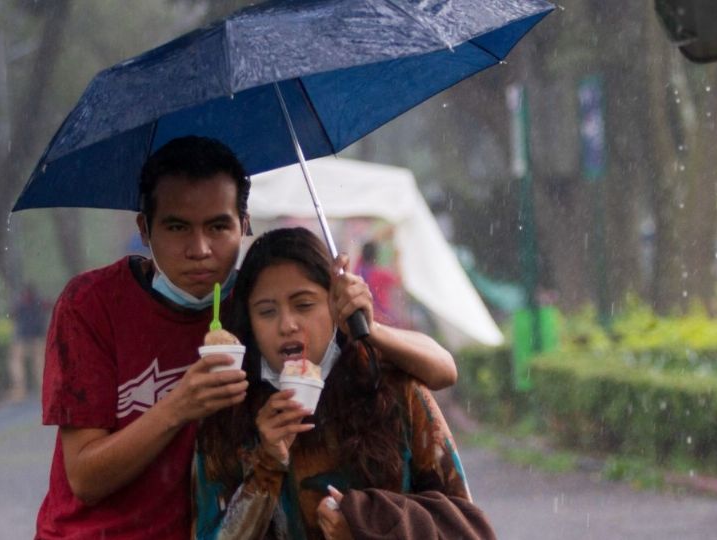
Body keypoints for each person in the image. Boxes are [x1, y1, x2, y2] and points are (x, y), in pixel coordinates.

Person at [36, 136, 457, 539]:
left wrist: (361, 319)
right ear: (145, 229)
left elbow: (440, 371)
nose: (199, 249)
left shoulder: (258, 299)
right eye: (178, 227)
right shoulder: (91, 304)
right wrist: (180, 406)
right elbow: (85, 478)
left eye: (218, 226)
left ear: (244, 223)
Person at [194, 227, 494, 540]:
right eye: (267, 312)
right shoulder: (227, 416)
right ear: (250, 322)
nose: (287, 325)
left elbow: (461, 521)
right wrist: (266, 464)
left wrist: (368, 523)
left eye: (304, 305)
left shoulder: (388, 387)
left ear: (336, 305)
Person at [8, 284, 48, 401]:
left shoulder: (21, 303)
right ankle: (41, 387)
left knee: (18, 361)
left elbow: (12, 314)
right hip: (34, 336)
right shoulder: (38, 302)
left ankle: (21, 388)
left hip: (25, 337)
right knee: (39, 363)